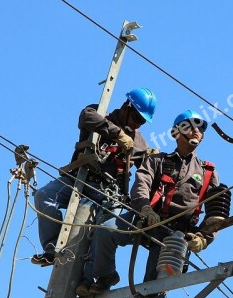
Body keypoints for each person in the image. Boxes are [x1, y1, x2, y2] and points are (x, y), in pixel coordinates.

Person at [84, 110, 222, 298]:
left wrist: (203, 237)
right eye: (191, 126)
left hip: (177, 232)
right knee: (106, 230)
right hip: (147, 219)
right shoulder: (157, 160)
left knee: (160, 280)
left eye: (201, 129)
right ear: (177, 131)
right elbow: (142, 183)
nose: (197, 132)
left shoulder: (208, 172)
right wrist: (144, 208)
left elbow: (217, 212)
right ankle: (103, 276)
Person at [31, 88, 157, 266]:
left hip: (108, 194)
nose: (138, 125)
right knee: (44, 196)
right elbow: (86, 117)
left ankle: (93, 279)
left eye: (142, 122)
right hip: (79, 180)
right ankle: (53, 248)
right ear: (126, 107)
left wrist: (153, 158)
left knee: (102, 234)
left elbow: (147, 171)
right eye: (137, 118)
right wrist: (117, 134)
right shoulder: (100, 114)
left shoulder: (138, 141)